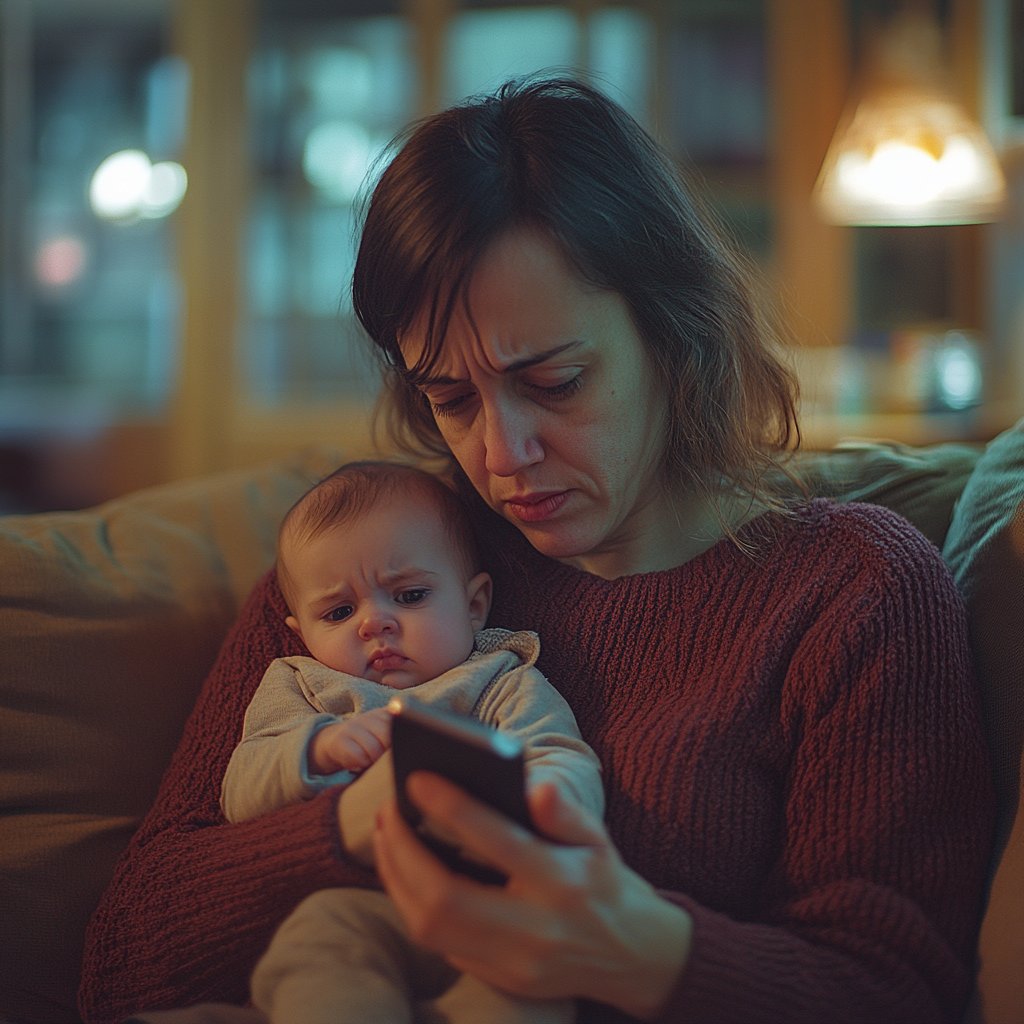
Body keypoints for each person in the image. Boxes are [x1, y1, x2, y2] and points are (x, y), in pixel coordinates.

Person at [79, 77, 994, 1024]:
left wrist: (637, 948)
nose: (501, 454)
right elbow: (122, 962)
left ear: (670, 333)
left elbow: (893, 986)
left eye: (554, 383)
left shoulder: (850, 591)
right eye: (452, 399)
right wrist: (356, 819)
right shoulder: (372, 573)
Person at [221, 459, 603, 1024]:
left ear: (473, 606)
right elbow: (240, 788)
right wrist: (319, 747)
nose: (374, 623)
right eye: (339, 611)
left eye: (410, 595)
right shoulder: (304, 685)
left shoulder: (500, 680)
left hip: (493, 909)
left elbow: (558, 755)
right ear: (300, 633)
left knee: (533, 987)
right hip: (365, 907)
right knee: (320, 938)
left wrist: (540, 800)